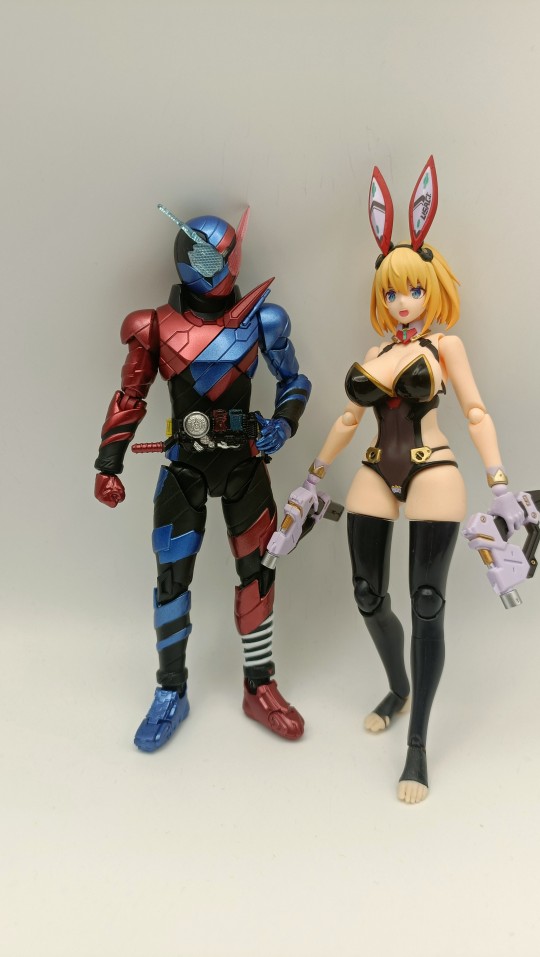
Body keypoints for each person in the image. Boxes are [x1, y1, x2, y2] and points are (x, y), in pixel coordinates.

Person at [280, 158, 524, 802]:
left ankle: (417, 745)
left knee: (426, 603)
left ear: (431, 289)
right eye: (391, 293)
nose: (402, 302)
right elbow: (347, 416)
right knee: (366, 593)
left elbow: (475, 411)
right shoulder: (375, 353)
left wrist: (501, 485)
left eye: (412, 289)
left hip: (433, 471)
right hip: (372, 471)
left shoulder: (445, 347)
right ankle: (398, 685)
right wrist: (312, 478)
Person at [94, 206, 311, 752]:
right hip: (185, 468)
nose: (209, 268)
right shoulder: (153, 326)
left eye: (216, 257)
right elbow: (130, 397)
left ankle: (259, 686)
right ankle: (171, 690)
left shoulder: (264, 320)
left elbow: (294, 381)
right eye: (200, 257)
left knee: (259, 574)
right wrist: (108, 463)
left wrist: (283, 425)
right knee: (172, 580)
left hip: (244, 465)